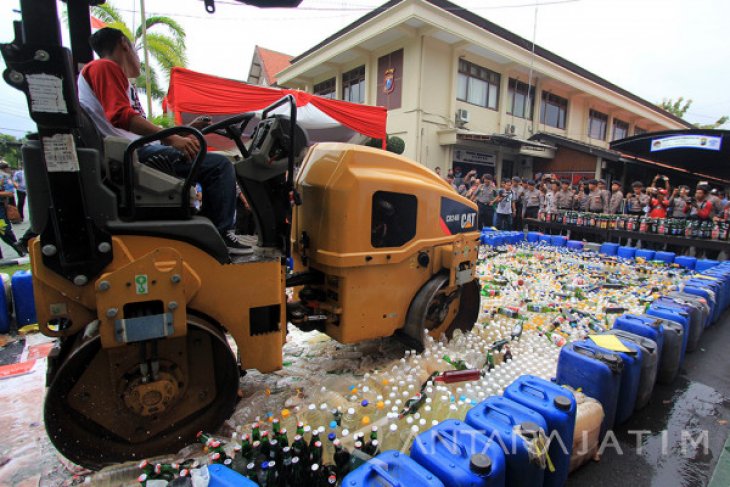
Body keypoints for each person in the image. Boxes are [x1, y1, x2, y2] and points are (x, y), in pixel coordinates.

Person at [79, 27, 249, 254]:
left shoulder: (108, 75)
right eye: (137, 51)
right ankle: (221, 235)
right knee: (220, 166)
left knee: (210, 162)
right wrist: (172, 139)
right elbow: (121, 116)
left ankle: (209, 228)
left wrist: (185, 131)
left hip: (132, 152)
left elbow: (135, 127)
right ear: (124, 44)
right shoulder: (105, 67)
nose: (138, 59)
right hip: (132, 156)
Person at [0, 162, 25, 258]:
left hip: (0, 208)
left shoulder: (3, 177)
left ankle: (19, 248)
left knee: (4, 230)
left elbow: (10, 193)